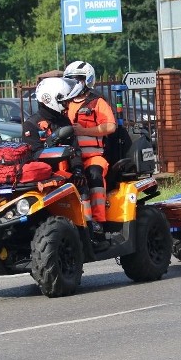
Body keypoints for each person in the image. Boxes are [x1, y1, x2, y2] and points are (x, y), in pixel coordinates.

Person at [62, 60, 116, 236]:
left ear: (87, 80)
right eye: (71, 80)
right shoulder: (66, 103)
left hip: (93, 156)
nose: (75, 83)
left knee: (94, 176)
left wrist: (84, 130)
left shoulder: (97, 102)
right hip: (70, 156)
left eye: (78, 79)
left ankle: (98, 221)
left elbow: (110, 127)